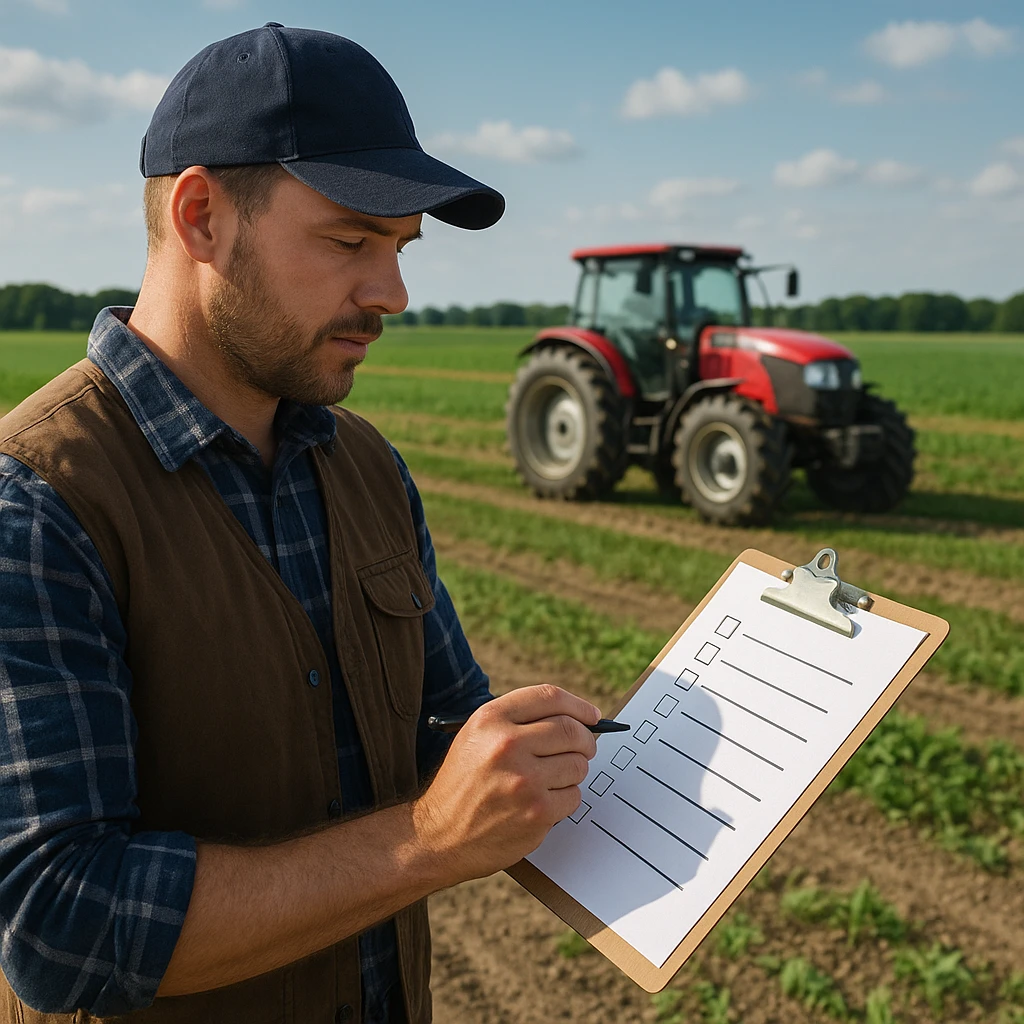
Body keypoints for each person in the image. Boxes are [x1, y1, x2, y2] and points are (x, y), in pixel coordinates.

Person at [0, 24, 601, 1024]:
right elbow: (60, 924)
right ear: (201, 216)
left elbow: (439, 735)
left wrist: (578, 757)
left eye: (400, 249)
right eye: (350, 240)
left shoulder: (364, 466)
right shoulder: (40, 500)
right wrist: (428, 840)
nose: (392, 294)